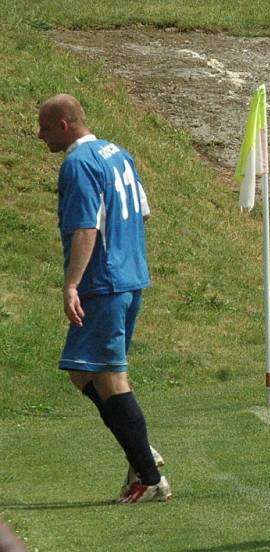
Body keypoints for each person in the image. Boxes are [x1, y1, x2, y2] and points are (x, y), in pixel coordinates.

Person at [37, 94, 171, 503]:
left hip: (104, 283)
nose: (38, 135)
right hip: (128, 278)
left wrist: (72, 283)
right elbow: (141, 212)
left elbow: (85, 229)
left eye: (43, 127)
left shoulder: (78, 164)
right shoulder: (118, 154)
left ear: (63, 125)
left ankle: (148, 478)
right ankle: (139, 447)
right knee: (84, 372)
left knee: (111, 378)